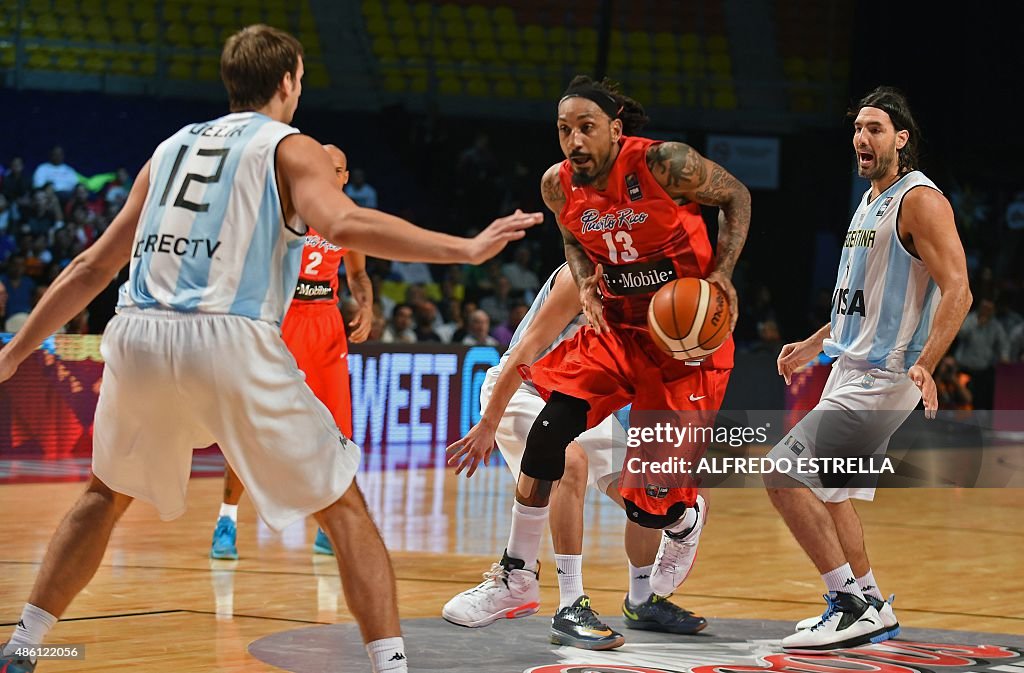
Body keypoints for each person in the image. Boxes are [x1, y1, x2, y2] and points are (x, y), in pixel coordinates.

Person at [0, 24, 541, 673]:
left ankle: (23, 645)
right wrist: (466, 247)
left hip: (138, 331)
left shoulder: (168, 148)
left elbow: (90, 266)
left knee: (103, 495)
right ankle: (393, 665)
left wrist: (14, 351)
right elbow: (342, 223)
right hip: (227, 330)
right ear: (288, 81)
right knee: (344, 505)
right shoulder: (290, 147)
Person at [497, 75, 750, 612]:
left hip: (684, 345)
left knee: (648, 508)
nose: (574, 140)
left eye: (586, 127)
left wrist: (723, 272)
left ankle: (682, 517)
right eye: (564, 130)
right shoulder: (557, 186)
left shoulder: (665, 163)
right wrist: (586, 276)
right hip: (616, 332)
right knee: (548, 436)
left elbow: (735, 196)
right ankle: (517, 577)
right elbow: (571, 234)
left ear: (614, 129)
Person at [769, 86, 971, 653]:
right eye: (858, 127)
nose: (862, 137)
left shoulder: (919, 200)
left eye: (875, 128)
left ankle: (847, 603)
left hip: (887, 376)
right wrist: (813, 344)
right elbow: (857, 304)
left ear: (901, 139)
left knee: (782, 474)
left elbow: (959, 288)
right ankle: (872, 604)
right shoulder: (868, 201)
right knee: (832, 494)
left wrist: (928, 364)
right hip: (848, 367)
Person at [444, 264, 707, 649]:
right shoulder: (579, 274)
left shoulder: (660, 289)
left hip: (584, 398)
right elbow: (527, 347)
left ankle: (642, 598)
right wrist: (489, 421)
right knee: (570, 463)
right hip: (525, 388)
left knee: (645, 490)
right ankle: (569, 603)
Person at [209, 144, 375, 560]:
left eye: (335, 168)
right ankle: (226, 520)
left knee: (335, 431)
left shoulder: (350, 218)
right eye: (321, 166)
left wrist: (367, 305)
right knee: (252, 425)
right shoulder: (283, 209)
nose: (327, 174)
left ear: (345, 176)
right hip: (280, 321)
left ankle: (326, 526)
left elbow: (358, 272)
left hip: (325, 324)